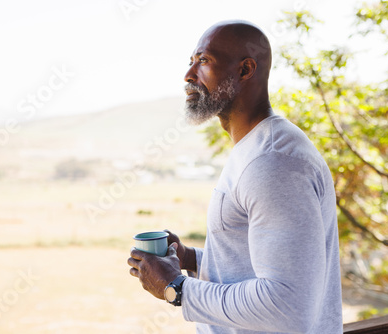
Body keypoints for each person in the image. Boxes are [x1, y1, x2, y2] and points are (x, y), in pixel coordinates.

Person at [127, 20, 343, 334]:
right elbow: (257, 267)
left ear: (245, 70)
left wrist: (175, 288)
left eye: (203, 61)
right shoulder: (257, 147)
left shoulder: (272, 162)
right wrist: (190, 258)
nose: (188, 75)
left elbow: (286, 307)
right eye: (191, 62)